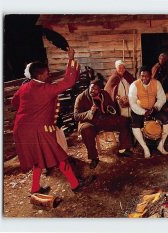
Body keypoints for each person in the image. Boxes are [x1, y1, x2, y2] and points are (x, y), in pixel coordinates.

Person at [12, 48, 89, 194]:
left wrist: (30, 112)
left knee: (37, 159)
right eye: (47, 73)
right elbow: (69, 81)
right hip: (38, 130)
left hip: (21, 130)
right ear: (40, 75)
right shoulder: (45, 88)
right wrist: (71, 58)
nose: (49, 75)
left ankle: (35, 188)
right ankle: (75, 184)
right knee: (59, 156)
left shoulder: (24, 87)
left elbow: (15, 103)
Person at [74, 79, 133, 169]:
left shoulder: (104, 94)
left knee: (124, 121)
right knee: (86, 130)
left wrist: (111, 109)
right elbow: (76, 116)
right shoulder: (81, 97)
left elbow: (111, 107)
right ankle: (94, 158)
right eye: (92, 87)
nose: (93, 90)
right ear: (89, 86)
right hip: (89, 122)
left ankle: (123, 149)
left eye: (96, 89)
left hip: (103, 119)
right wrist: (90, 112)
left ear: (100, 90)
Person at [128, 66, 168, 158]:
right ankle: (145, 148)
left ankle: (161, 145)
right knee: (135, 125)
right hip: (139, 109)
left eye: (146, 76)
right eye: (142, 76)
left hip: (153, 108)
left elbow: (162, 98)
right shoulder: (134, 85)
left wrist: (156, 107)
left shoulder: (157, 83)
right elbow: (132, 103)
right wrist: (143, 112)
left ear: (151, 76)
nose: (144, 78)